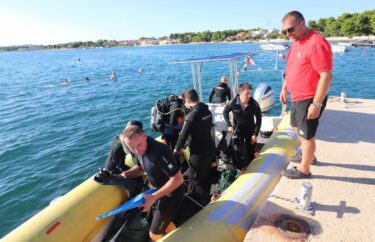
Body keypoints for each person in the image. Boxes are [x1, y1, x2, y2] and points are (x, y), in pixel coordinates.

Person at [279, 11, 332, 179]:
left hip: (309, 97)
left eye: (290, 29)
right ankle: (310, 156)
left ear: (302, 23)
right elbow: (291, 67)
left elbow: (326, 75)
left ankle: (304, 169)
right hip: (297, 96)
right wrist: (285, 87)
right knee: (296, 127)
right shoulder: (296, 43)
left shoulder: (317, 42)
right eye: (284, 32)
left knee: (306, 136)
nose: (288, 34)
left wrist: (316, 103)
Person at [121, 124, 184, 241]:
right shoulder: (137, 151)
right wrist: (123, 176)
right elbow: (141, 168)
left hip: (172, 194)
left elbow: (178, 179)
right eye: (132, 148)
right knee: (164, 224)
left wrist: (153, 197)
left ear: (145, 136)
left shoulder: (159, 151)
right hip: (157, 193)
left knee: (153, 234)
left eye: (139, 145)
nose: (136, 150)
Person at [174, 88, 216, 206]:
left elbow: (182, 137)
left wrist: (176, 149)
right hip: (210, 148)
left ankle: (204, 205)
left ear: (187, 100)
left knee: (197, 180)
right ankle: (209, 198)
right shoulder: (206, 109)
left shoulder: (191, 116)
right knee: (206, 175)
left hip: (198, 153)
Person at [223, 83, 262, 170]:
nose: (249, 96)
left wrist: (255, 134)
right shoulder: (233, 102)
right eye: (247, 94)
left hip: (250, 130)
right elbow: (225, 112)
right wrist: (229, 125)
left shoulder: (254, 104)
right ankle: (239, 169)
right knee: (237, 151)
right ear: (240, 93)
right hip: (238, 130)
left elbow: (259, 120)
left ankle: (252, 167)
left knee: (250, 151)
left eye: (250, 94)